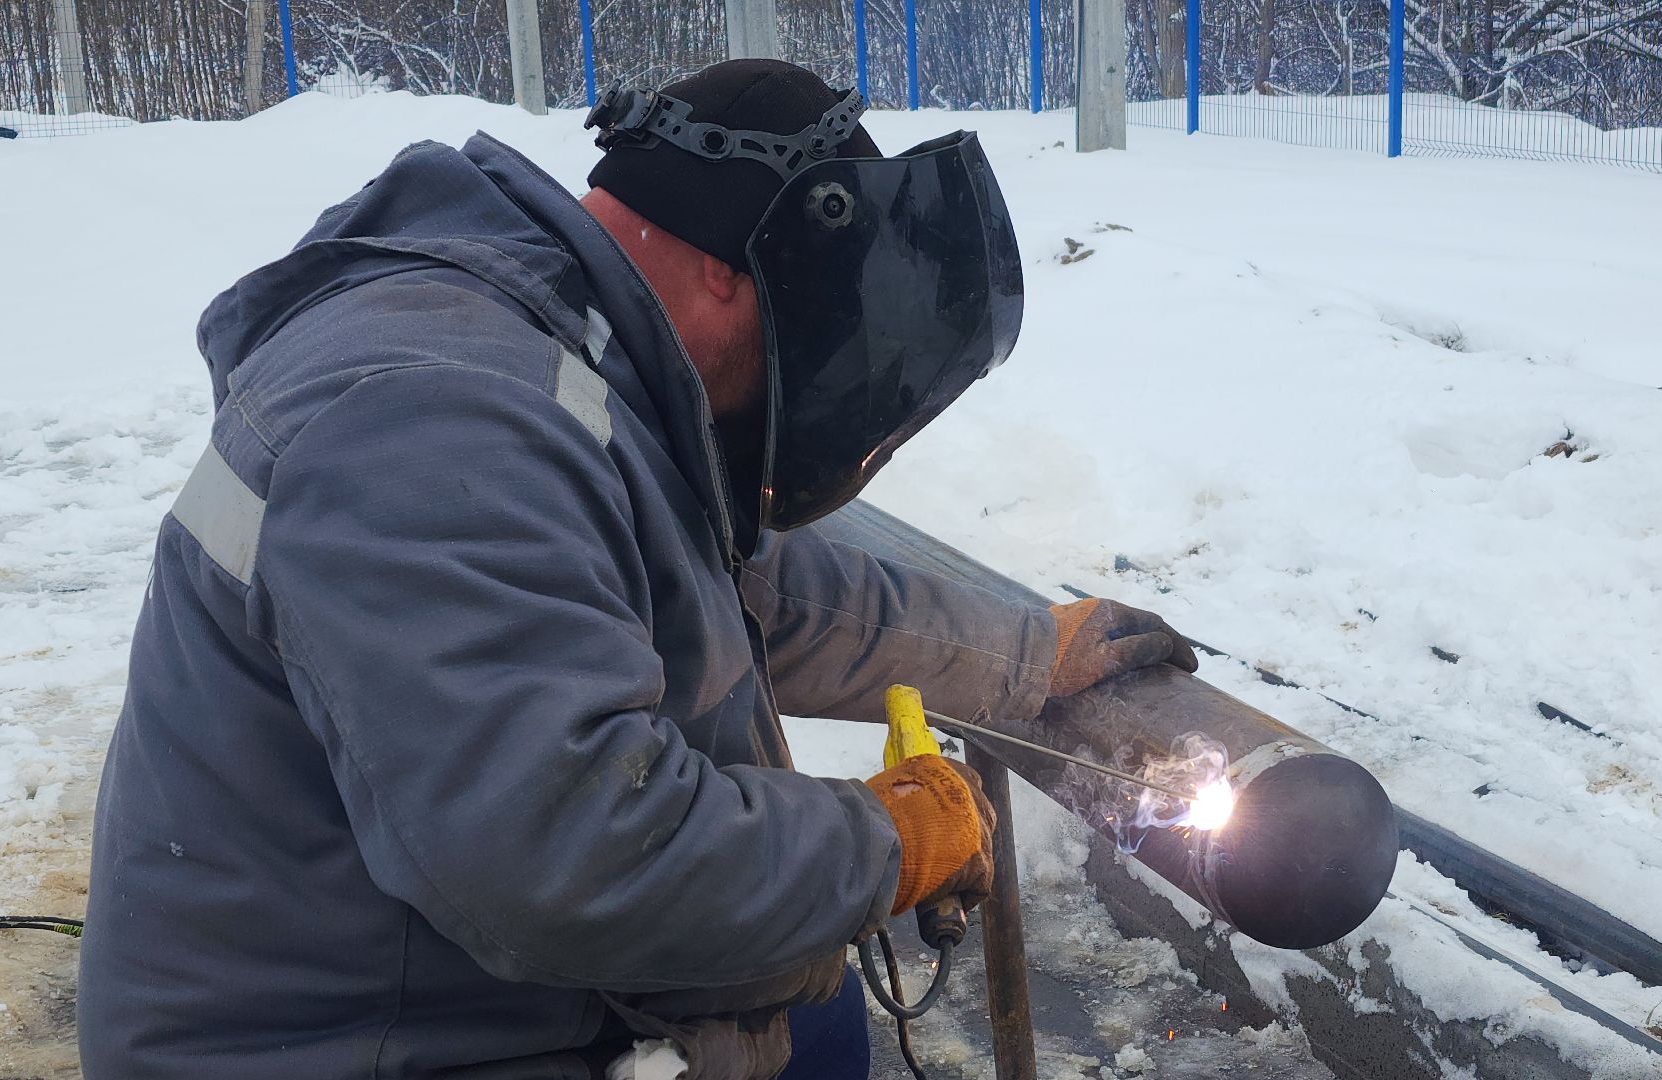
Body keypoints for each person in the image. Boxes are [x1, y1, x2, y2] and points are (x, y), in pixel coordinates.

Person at [77, 59, 1195, 1080]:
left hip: (443, 985)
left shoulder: (562, 362)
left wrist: (1015, 653)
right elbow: (561, 851)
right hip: (346, 1045)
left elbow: (755, 589)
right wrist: (884, 843)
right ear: (728, 271)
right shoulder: (432, 419)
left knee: (810, 1019)